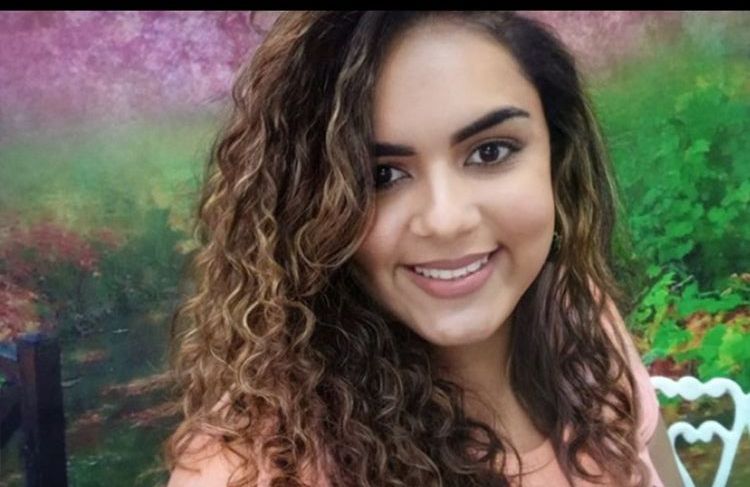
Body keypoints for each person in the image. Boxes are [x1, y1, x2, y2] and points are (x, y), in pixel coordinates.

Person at [165, 11, 682, 486]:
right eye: (381, 176)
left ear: (556, 155)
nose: (445, 220)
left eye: (490, 151)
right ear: (307, 209)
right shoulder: (254, 468)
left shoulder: (581, 322)